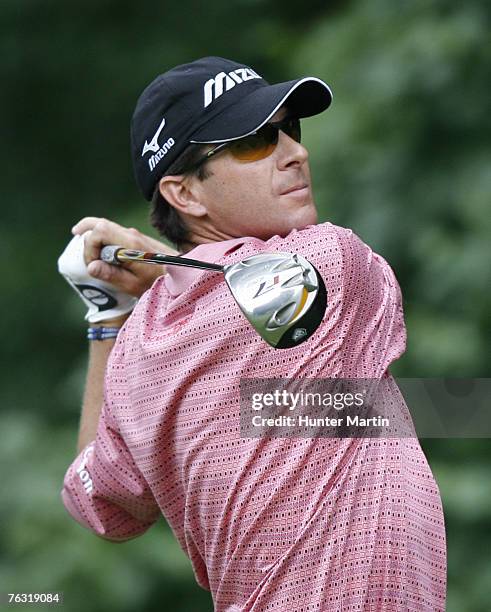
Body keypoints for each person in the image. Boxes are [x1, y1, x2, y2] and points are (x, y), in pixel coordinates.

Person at [59, 56, 447, 610]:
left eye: (290, 129)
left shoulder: (140, 350)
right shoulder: (328, 263)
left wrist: (109, 316)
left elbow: (95, 500)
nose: (296, 153)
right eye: (254, 142)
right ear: (185, 194)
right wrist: (166, 270)